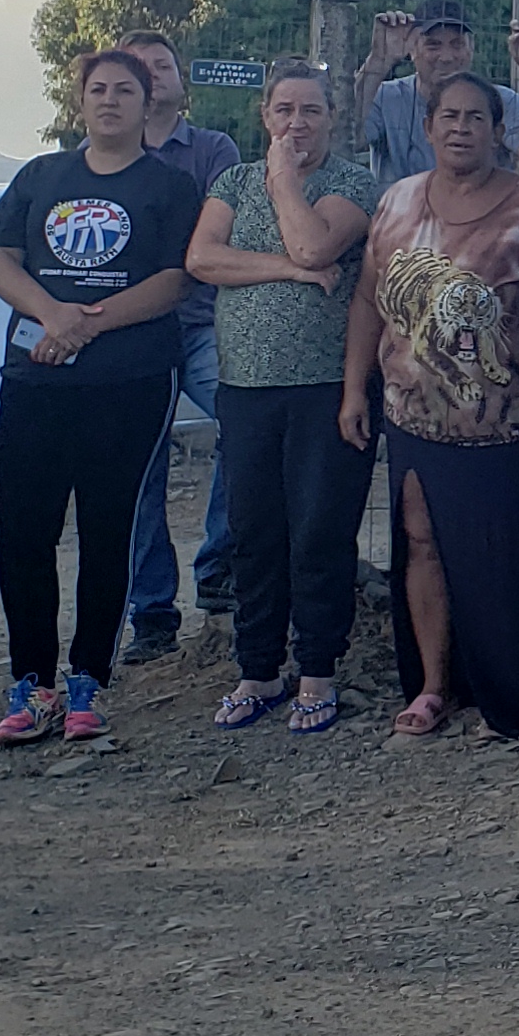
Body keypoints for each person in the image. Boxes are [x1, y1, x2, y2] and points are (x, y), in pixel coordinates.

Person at [351, 72, 519, 741]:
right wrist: (353, 390)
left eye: (475, 117)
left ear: (496, 130)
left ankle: (513, 700)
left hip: (510, 421)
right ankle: (433, 687)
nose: (460, 127)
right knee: (421, 542)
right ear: (427, 128)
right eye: (448, 116)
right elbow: (370, 298)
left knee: (504, 561)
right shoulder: (396, 202)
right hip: (414, 417)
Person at [0, 49, 204, 746]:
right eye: (98, 89)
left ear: (149, 104)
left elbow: (176, 280)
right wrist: (52, 316)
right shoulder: (41, 176)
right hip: (35, 378)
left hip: (130, 381)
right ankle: (31, 686)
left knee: (110, 533)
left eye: (125, 91)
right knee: (24, 534)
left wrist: (85, 325)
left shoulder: (168, 186)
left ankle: (87, 684)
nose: (110, 101)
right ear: (80, 101)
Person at [185, 60, 381, 737]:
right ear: (264, 117)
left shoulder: (352, 184)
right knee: (254, 533)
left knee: (320, 532)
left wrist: (283, 182)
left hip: (327, 386)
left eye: (311, 111)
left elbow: (313, 237)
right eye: (285, 111)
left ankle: (318, 670)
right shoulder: (231, 181)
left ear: (332, 118)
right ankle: (258, 669)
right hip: (244, 388)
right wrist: (291, 270)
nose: (297, 123)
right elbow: (204, 260)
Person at [111, 30, 244, 663]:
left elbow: (218, 229)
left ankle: (219, 568)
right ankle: (151, 614)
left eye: (161, 65)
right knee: (137, 471)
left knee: (246, 418)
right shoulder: (97, 155)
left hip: (198, 325)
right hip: (128, 333)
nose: (152, 75)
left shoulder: (214, 149)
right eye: (138, 68)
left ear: (177, 80)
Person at [356, 9, 519, 188]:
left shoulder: (502, 100)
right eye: (433, 45)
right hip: (400, 213)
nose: (447, 57)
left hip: (483, 212)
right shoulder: (385, 96)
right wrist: (378, 60)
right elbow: (347, 139)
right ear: (411, 49)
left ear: (471, 48)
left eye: (457, 45)